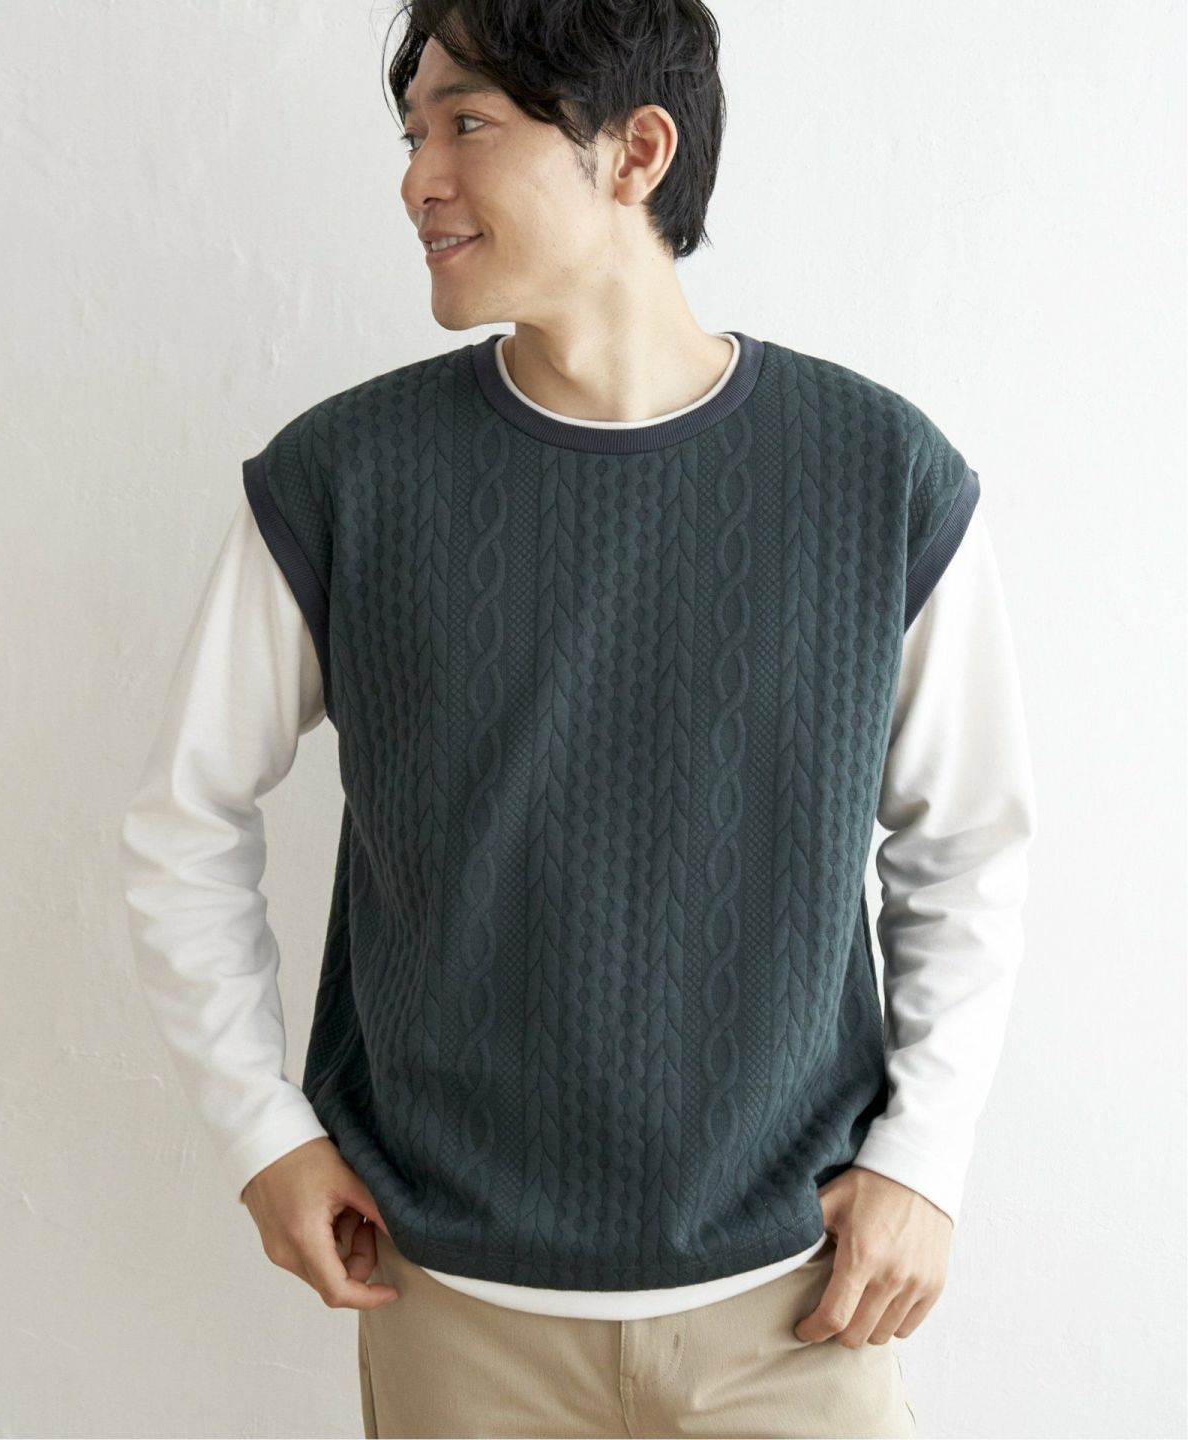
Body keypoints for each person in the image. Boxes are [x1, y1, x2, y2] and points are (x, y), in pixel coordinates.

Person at [117, 2, 1037, 1436]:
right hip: (453, 1308)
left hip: (799, 1305)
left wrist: (924, 1159)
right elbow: (184, 821)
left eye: (466, 123)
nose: (417, 178)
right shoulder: (342, 480)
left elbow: (966, 845)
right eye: (410, 133)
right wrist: (260, 1132)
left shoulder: (880, 477)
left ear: (636, 152)